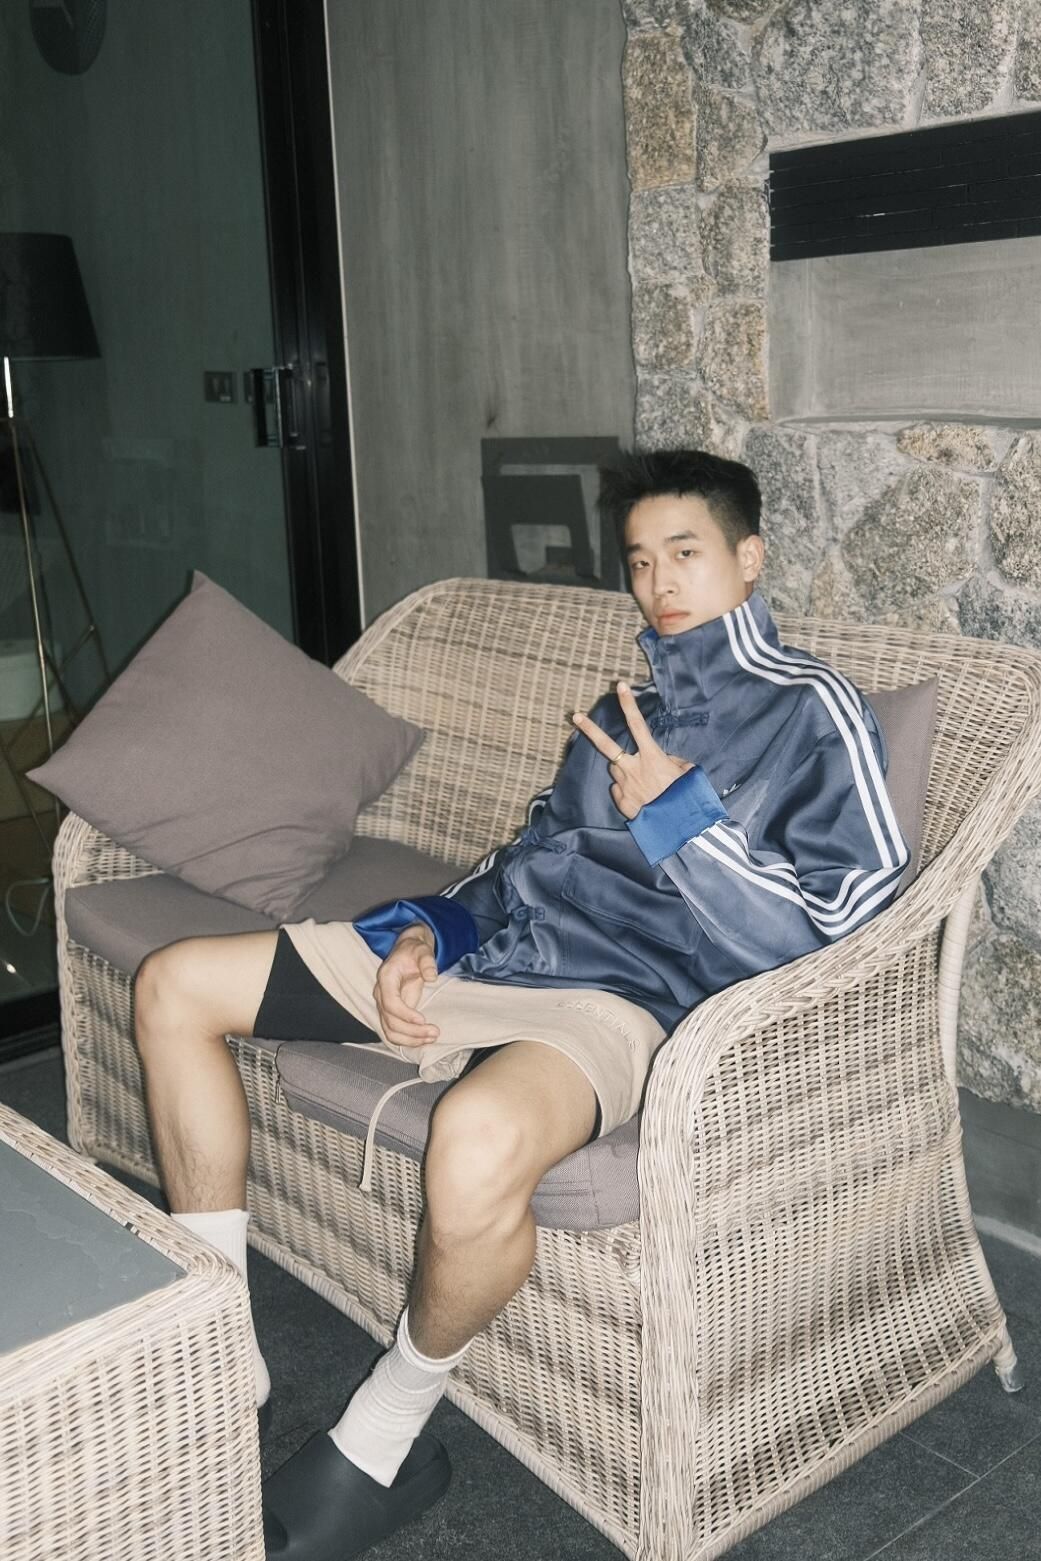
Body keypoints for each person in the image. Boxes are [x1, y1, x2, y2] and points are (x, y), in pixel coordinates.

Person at [132, 448, 909, 1561]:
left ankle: (385, 1431)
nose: (659, 582)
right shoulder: (619, 711)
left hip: (621, 1000)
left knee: (478, 1135)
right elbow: (520, 863)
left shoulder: (814, 711)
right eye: (639, 561)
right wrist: (423, 935)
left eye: (685, 553)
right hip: (498, 958)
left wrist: (680, 820)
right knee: (173, 985)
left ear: (750, 558)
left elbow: (845, 930)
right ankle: (225, 1351)